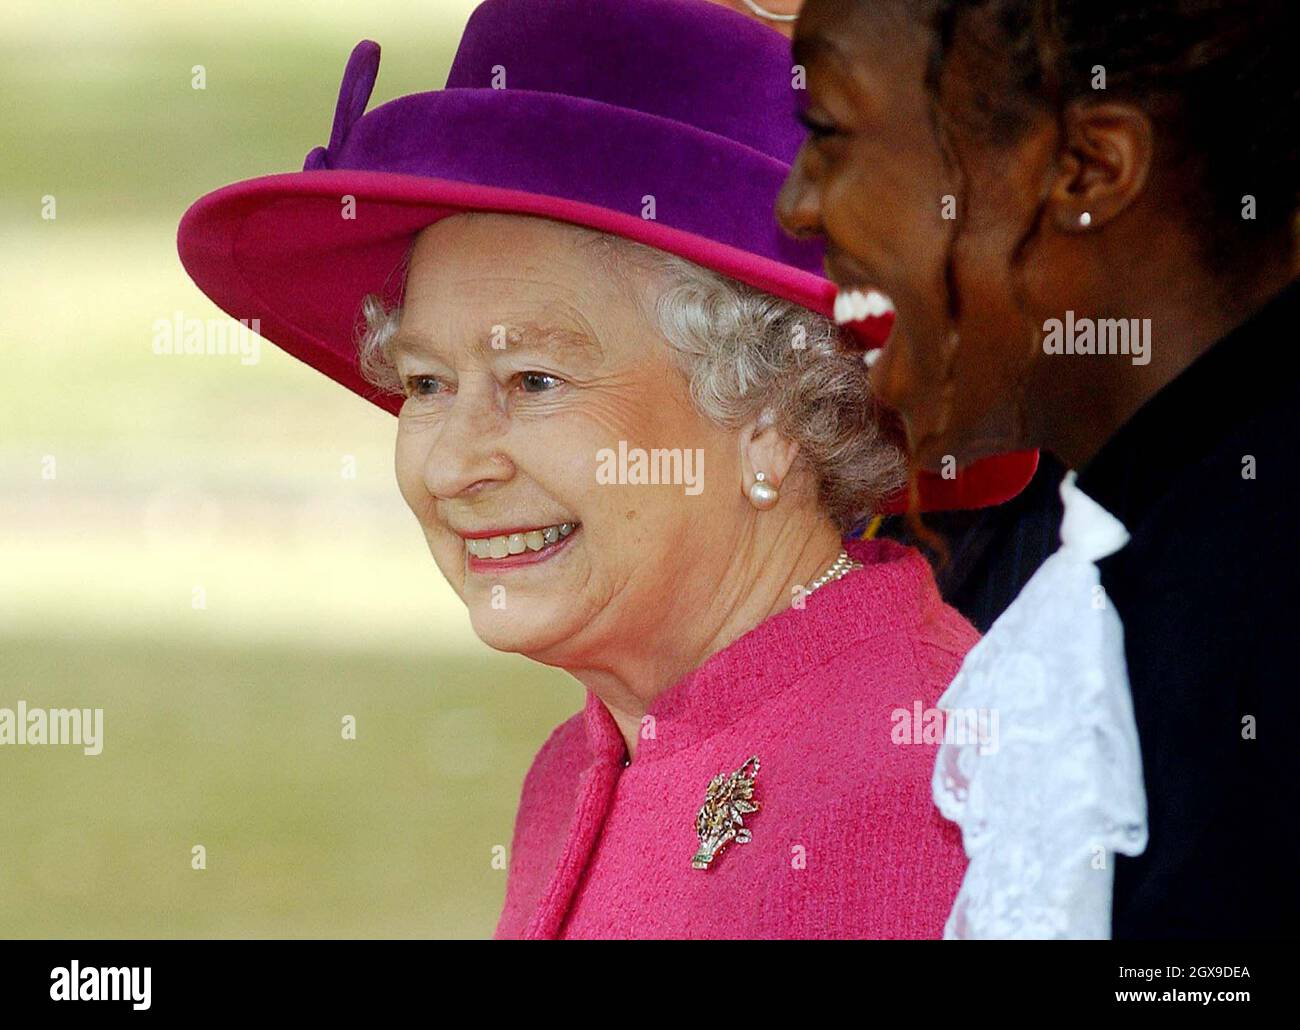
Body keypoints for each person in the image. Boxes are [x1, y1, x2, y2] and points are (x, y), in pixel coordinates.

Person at [177, 0, 1033, 938]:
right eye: (426, 383)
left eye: (534, 380)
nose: (454, 464)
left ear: (768, 416)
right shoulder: (579, 764)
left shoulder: (929, 781)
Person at [778, 0, 1299, 937]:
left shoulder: (1252, 591)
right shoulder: (1147, 551)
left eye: (828, 132)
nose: (799, 202)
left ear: (1084, 168)